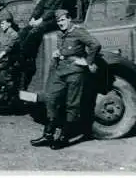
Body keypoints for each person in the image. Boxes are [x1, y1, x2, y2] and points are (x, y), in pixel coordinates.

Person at [30, 9, 101, 150]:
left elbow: (95, 44)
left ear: (69, 19)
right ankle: (48, 135)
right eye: (58, 21)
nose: (60, 23)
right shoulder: (60, 34)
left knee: (71, 104)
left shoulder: (78, 32)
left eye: (63, 20)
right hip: (60, 70)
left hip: (75, 72)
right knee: (50, 98)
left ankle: (64, 137)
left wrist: (87, 61)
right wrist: (59, 53)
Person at [18, 0, 73, 91]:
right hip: (44, 18)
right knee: (24, 31)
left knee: (36, 31)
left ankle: (28, 58)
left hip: (57, 19)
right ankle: (22, 57)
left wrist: (40, 21)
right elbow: (40, 6)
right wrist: (32, 18)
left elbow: (54, 9)